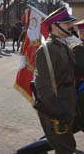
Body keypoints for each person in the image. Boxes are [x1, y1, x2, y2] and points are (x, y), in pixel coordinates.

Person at [13, 17, 84, 154]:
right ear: (55, 25)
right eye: (67, 23)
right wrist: (59, 112)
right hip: (57, 108)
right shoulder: (47, 49)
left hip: (67, 105)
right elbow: (43, 88)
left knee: (61, 145)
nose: (71, 26)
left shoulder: (63, 47)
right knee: (65, 148)